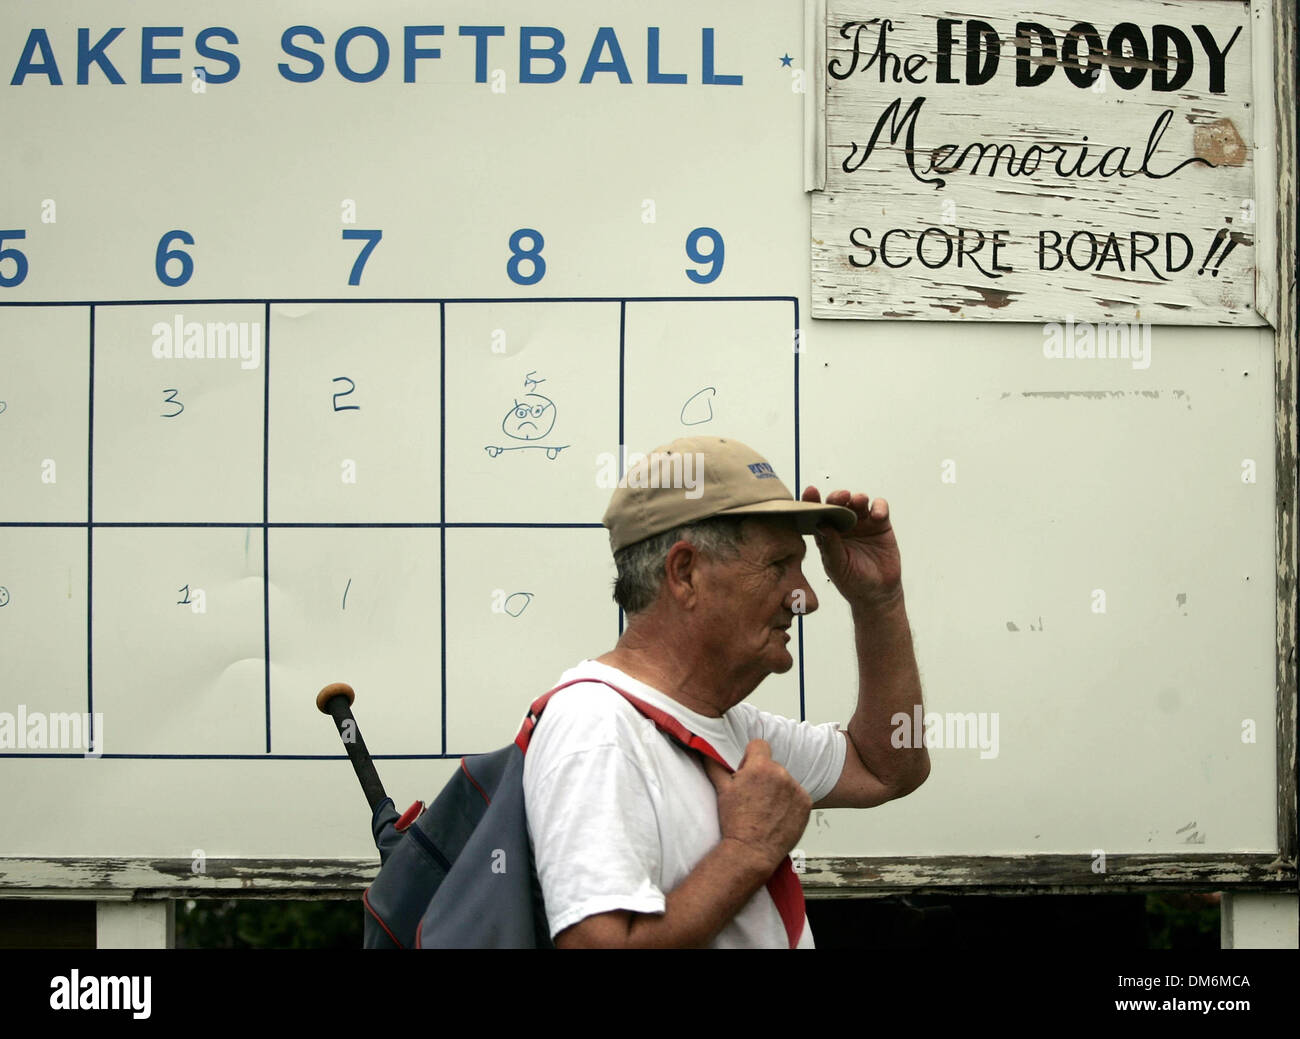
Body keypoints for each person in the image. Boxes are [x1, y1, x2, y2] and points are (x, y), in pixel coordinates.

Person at [522, 435, 930, 948]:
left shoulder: (722, 725)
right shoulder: (598, 729)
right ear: (685, 572)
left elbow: (888, 768)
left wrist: (880, 601)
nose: (805, 598)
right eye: (779, 565)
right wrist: (748, 850)